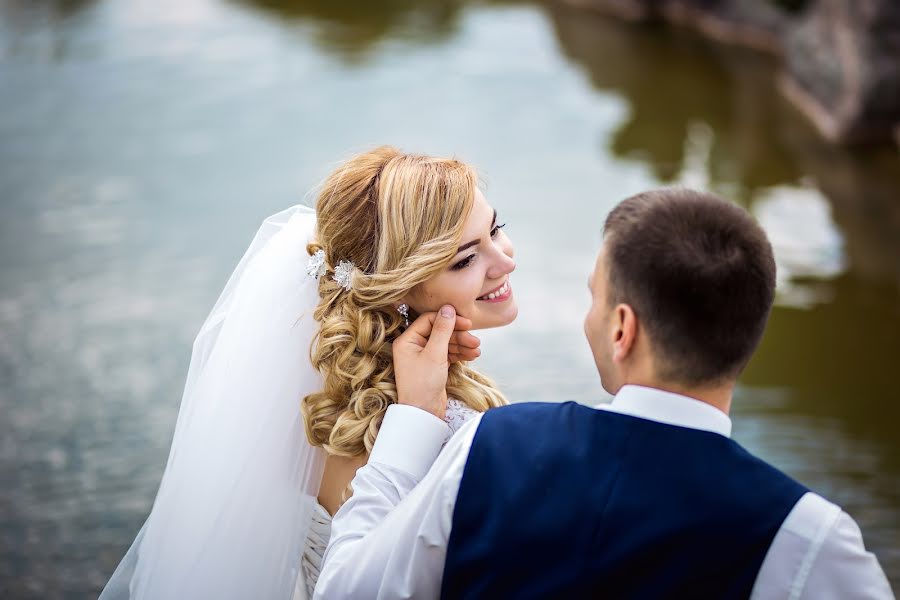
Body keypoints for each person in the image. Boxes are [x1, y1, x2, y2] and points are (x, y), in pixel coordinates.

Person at [315, 188, 893, 599]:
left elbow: (345, 591)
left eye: (593, 296)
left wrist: (413, 421)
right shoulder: (809, 536)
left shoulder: (491, 446)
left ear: (622, 329)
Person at [98, 146, 518, 599]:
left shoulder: (316, 403)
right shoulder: (417, 430)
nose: (506, 261)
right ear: (396, 286)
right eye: (466, 259)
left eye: (497, 229)